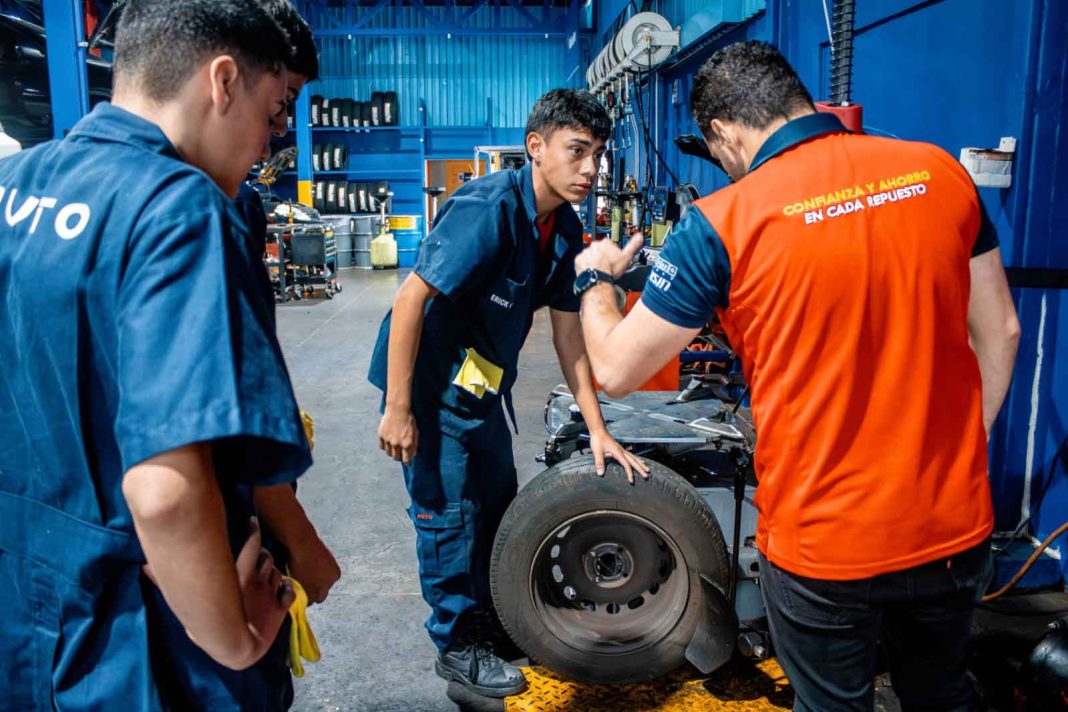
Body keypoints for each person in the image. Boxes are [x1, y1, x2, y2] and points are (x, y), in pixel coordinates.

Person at [572, 41, 1021, 711]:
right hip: (949, 529)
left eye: (717, 151)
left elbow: (614, 367)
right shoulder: (937, 172)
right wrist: (960, 450)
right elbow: (1003, 332)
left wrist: (598, 279)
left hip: (824, 548)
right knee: (941, 695)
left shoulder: (722, 223)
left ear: (722, 132)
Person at [0, 1, 314, 709]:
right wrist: (233, 639)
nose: (268, 145)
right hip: (147, 642)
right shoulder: (180, 208)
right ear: (223, 81)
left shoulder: (18, 185)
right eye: (270, 114)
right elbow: (165, 492)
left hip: (27, 615)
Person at [369, 88, 649, 698]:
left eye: (597, 155)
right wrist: (397, 408)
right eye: (577, 151)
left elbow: (569, 331)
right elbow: (410, 298)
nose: (590, 169)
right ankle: (456, 646)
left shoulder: (564, 227)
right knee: (448, 514)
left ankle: (492, 624)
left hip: (480, 388)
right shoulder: (487, 208)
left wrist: (598, 428)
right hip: (427, 384)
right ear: (536, 147)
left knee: (496, 504)